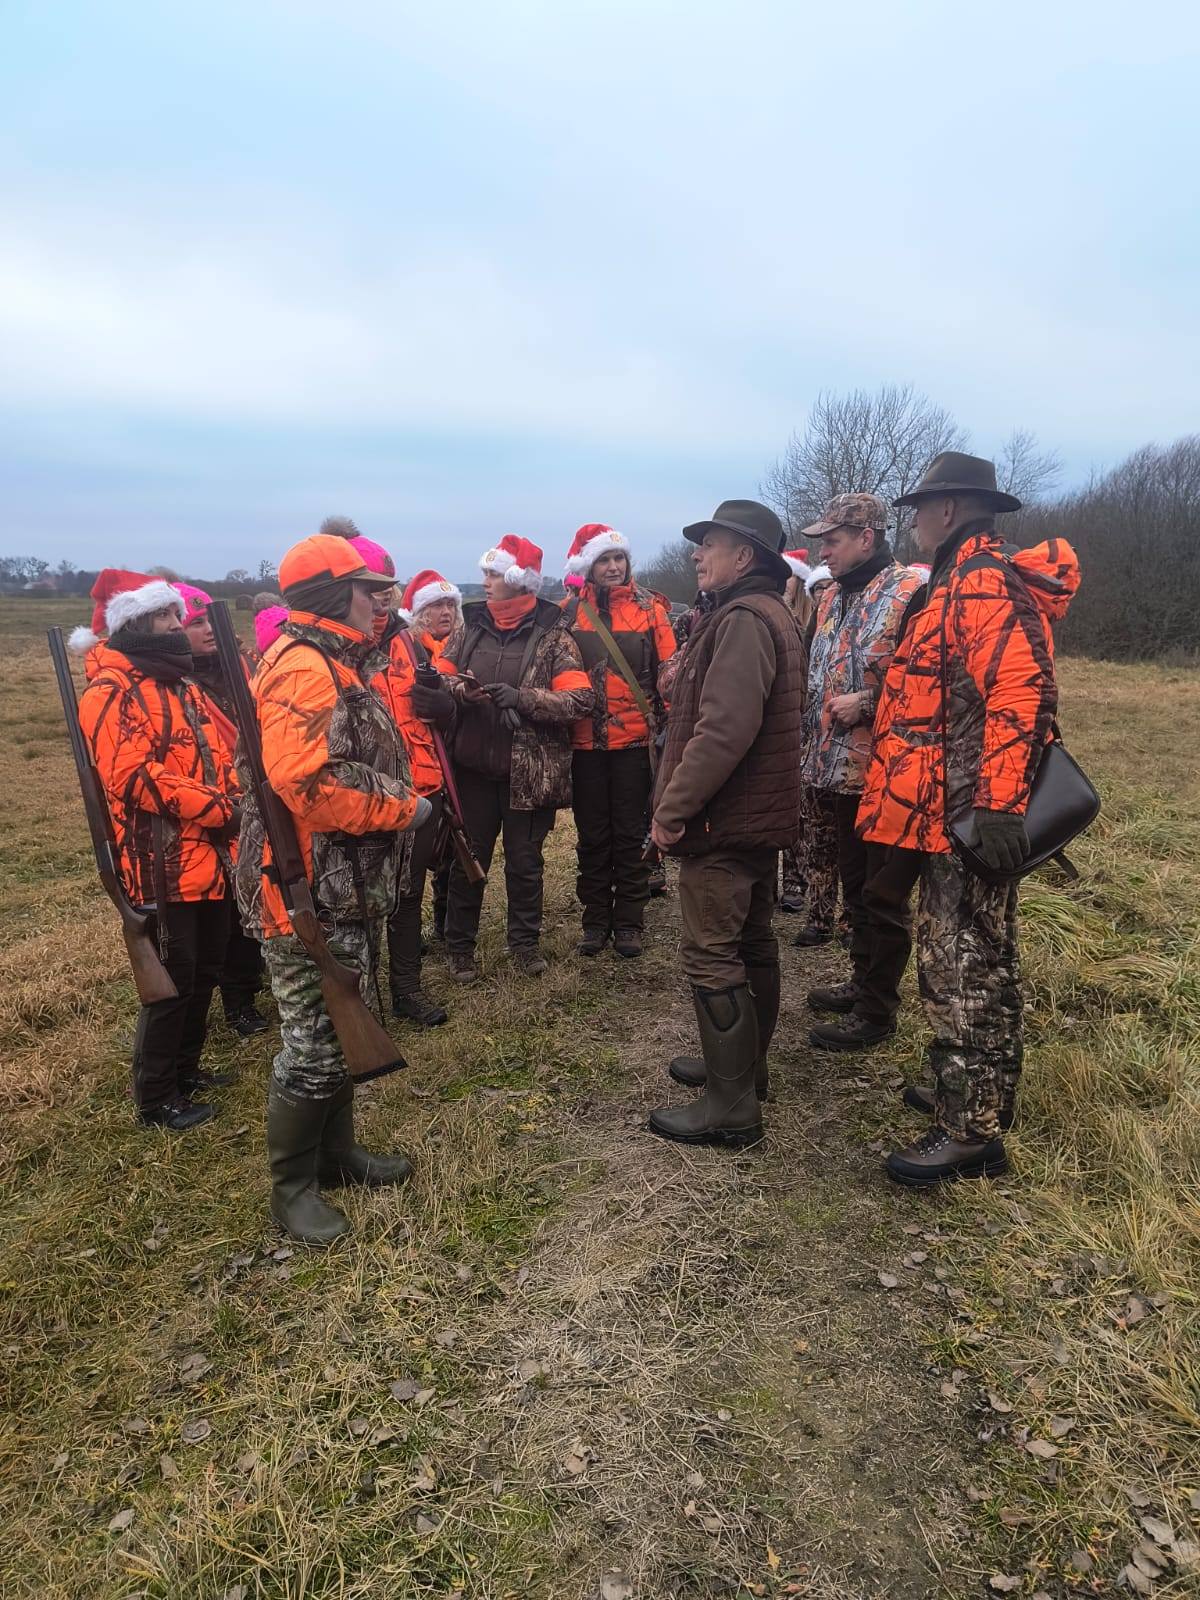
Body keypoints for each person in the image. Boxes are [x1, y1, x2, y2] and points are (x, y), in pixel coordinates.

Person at [855, 452, 1079, 1186]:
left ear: (948, 509)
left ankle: (970, 1135)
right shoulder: (956, 581)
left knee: (959, 969)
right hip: (946, 811)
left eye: (920, 508)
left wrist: (998, 807)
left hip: (965, 817)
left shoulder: (980, 582)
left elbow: (1021, 694)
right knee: (978, 961)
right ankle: (976, 1094)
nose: (914, 521)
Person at [240, 532, 427, 1244]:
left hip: (335, 882)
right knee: (314, 1041)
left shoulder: (330, 658)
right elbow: (307, 784)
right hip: (303, 886)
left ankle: (336, 1155)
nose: (380, 601)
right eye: (366, 590)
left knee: (340, 1018)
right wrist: (406, 806)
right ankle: (291, 1190)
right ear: (332, 595)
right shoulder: (304, 667)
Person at [647, 500, 806, 1147]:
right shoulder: (770, 612)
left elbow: (722, 731)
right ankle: (744, 1070)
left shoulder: (742, 620)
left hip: (725, 822)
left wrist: (671, 811)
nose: (696, 554)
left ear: (744, 556)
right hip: (755, 817)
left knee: (713, 955)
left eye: (708, 544)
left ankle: (731, 1105)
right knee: (752, 942)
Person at [75, 571, 238, 1130]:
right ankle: (156, 1097)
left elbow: (219, 756)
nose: (176, 624)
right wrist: (220, 809)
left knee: (207, 967)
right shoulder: (110, 691)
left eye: (176, 616)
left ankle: (185, 1071)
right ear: (136, 623)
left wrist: (234, 802)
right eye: (165, 616)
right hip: (158, 861)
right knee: (171, 979)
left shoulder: (180, 685)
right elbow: (133, 777)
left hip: (210, 852)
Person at [793, 496, 923, 1052]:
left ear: (867, 537)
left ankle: (877, 1010)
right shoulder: (829, 597)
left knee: (882, 894)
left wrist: (867, 702)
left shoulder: (910, 593)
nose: (823, 551)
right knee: (855, 886)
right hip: (835, 770)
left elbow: (927, 681)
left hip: (888, 773)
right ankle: (860, 980)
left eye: (833, 540)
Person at [439, 535, 592, 982]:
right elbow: (439, 679)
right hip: (471, 769)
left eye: (493, 573)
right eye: (485, 573)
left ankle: (524, 945)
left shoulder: (554, 635)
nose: (485, 581)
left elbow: (580, 700)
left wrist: (523, 698)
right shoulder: (469, 626)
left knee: (525, 865)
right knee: (469, 862)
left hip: (528, 774)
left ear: (517, 579)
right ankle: (459, 948)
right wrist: (461, 691)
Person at [560, 523, 677, 958]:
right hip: (584, 744)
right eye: (603, 560)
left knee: (630, 834)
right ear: (588, 567)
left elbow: (670, 673)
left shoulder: (651, 610)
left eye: (618, 558)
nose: (612, 567)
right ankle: (595, 922)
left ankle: (629, 922)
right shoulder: (568, 613)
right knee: (592, 836)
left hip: (634, 743)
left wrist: (675, 723)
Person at [176, 582, 271, 1041]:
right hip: (215, 809)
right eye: (194, 623)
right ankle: (232, 1002)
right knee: (228, 912)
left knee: (256, 897)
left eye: (210, 620)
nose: (207, 630)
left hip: (255, 797)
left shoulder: (244, 665)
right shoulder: (177, 685)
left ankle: (248, 992)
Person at [376, 567, 463, 1025]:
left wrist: (446, 708)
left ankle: (406, 990)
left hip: (420, 790)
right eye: (367, 591)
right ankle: (361, 996)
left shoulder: (413, 647)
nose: (377, 600)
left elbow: (433, 724)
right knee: (359, 902)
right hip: (365, 795)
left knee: (408, 894)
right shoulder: (336, 653)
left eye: (383, 591)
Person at [398, 569, 464, 942]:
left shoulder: (463, 646)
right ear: (421, 612)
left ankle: (444, 924)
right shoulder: (408, 651)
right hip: (419, 765)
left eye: (451, 604)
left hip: (456, 761)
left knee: (451, 848)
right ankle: (409, 932)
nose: (446, 612)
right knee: (415, 857)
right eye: (437, 605)